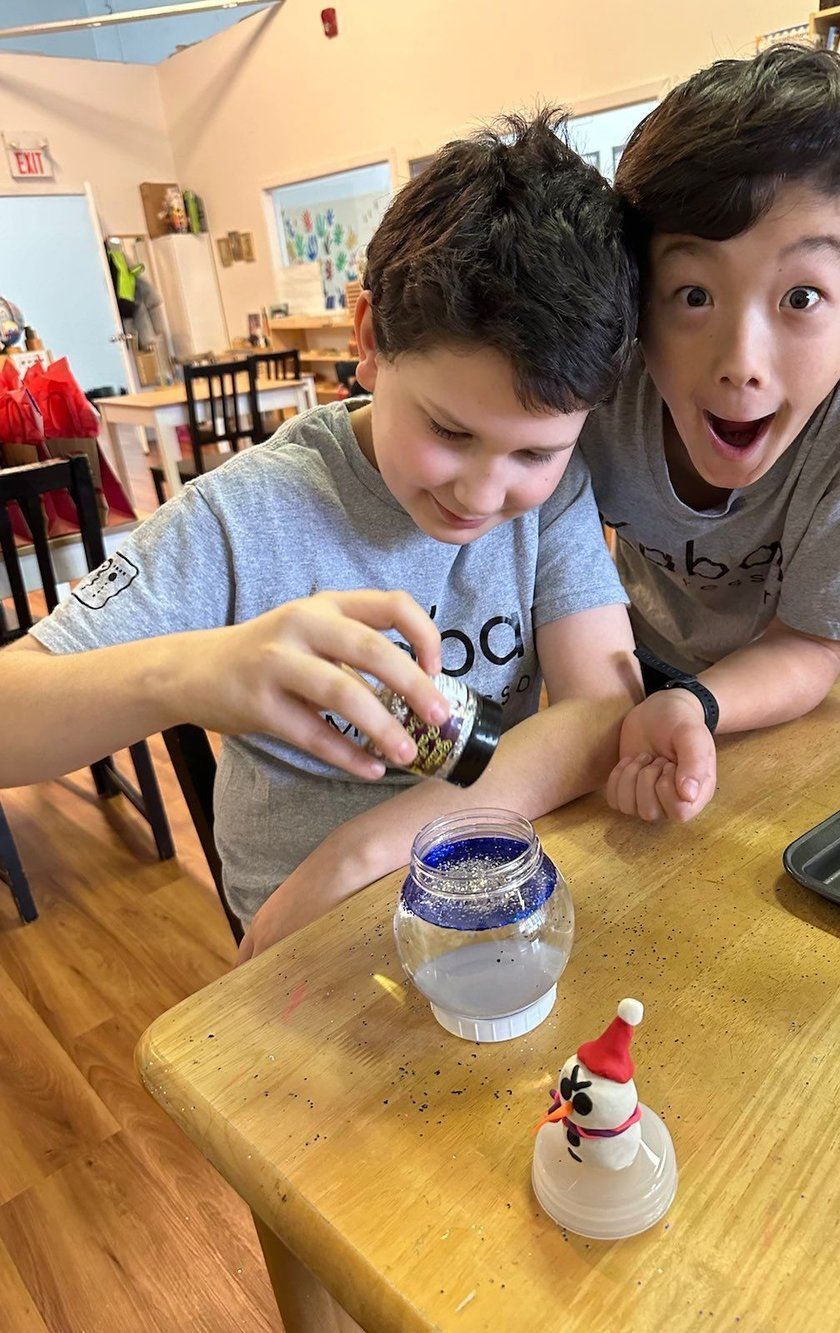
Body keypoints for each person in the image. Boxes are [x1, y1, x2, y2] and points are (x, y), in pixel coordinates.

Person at [0, 113, 642, 957]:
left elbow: (603, 710)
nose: (485, 492)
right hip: (307, 940)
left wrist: (369, 849)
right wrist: (187, 674)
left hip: (480, 889)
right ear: (370, 339)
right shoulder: (244, 515)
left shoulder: (549, 501)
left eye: (535, 450)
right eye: (450, 431)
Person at [579, 45, 840, 824]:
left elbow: (815, 642)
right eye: (693, 293)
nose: (741, 366)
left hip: (792, 702)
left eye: (801, 295)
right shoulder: (598, 362)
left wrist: (698, 703)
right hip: (618, 673)